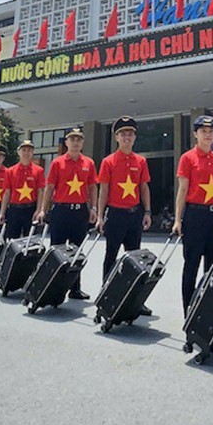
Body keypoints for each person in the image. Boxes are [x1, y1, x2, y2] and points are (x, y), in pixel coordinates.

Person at [172, 114, 213, 314]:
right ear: (195, 134)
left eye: (211, 131)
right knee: (192, 265)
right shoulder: (187, 158)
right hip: (194, 216)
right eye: (203, 131)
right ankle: (189, 311)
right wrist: (178, 219)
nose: (208, 135)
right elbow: (182, 190)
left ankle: (208, 311)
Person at [96, 117, 152, 313]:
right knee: (111, 256)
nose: (127, 137)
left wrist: (147, 211)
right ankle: (106, 297)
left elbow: (143, 187)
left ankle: (135, 300)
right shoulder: (108, 161)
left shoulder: (141, 161)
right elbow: (103, 190)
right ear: (117, 137)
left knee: (135, 259)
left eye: (130, 134)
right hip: (115, 215)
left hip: (134, 215)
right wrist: (100, 216)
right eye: (123, 134)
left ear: (135, 137)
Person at [37, 126, 97, 300]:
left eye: (79, 139)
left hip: (80, 212)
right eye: (72, 139)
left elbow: (92, 187)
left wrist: (93, 208)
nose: (75, 142)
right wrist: (43, 210)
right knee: (56, 250)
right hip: (61, 211)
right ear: (66, 142)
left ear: (83, 143)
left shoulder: (89, 163)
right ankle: (52, 287)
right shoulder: (57, 163)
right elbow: (50, 188)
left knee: (77, 252)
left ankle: (75, 288)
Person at [3, 139, 45, 239]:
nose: (26, 153)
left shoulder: (39, 170)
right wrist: (2, 213)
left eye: (29, 150)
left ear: (32, 152)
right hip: (14, 210)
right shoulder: (10, 171)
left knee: (30, 240)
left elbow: (40, 192)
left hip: (31, 209)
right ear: (18, 152)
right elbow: (7, 193)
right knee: (12, 240)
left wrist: (39, 210)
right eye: (24, 150)